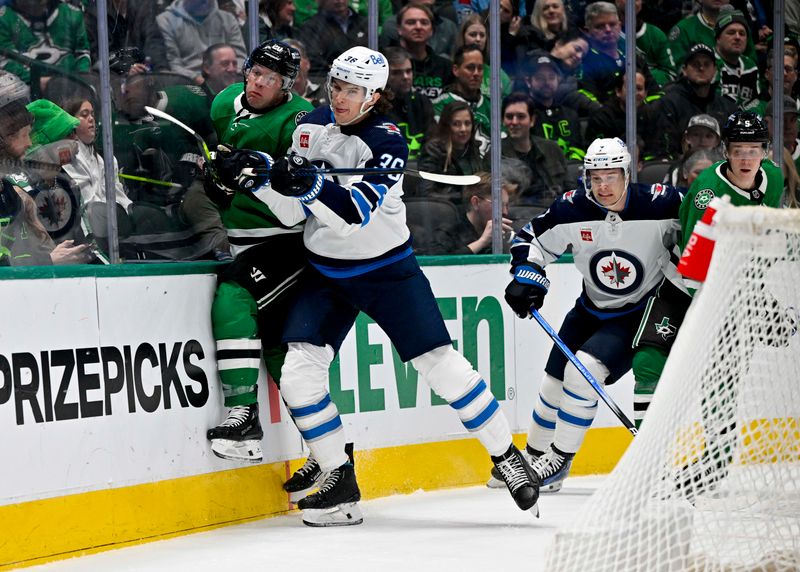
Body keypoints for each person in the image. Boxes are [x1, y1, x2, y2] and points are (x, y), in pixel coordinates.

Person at [214, 45, 541, 526]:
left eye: (353, 90)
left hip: (387, 271)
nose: (341, 98)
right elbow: (291, 213)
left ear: (374, 95)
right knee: (301, 376)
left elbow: (352, 216)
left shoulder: (386, 140)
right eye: (336, 87)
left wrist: (307, 184)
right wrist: (259, 177)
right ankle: (339, 479)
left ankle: (505, 456)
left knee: (441, 367)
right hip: (325, 274)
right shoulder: (309, 128)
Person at [487, 137, 685, 493]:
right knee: (553, 383)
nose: (603, 186)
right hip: (590, 308)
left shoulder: (662, 203)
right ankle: (533, 456)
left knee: (583, 373)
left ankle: (560, 460)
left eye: (611, 176)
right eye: (596, 178)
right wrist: (527, 276)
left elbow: (701, 226)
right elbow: (529, 239)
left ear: (627, 173)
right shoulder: (572, 210)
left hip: (638, 312)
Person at [632, 111, 784, 430]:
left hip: (731, 289)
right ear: (725, 151)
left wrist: (760, 297)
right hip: (682, 286)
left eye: (754, 149)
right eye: (738, 150)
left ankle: (716, 458)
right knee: (649, 362)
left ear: (765, 152)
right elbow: (691, 262)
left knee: (722, 374)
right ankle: (651, 455)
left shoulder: (773, 179)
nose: (746, 158)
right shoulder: (707, 191)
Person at [202, 40, 314, 463]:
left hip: (284, 243)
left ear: (287, 84)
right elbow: (215, 157)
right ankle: (325, 455)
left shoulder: (300, 123)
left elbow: (296, 209)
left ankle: (243, 415)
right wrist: (214, 177)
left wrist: (265, 176)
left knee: (232, 298)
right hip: (240, 241)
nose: (257, 83)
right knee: (277, 348)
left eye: (269, 78)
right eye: (253, 72)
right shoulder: (225, 103)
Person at [0, 76, 91, 266]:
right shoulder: (22, 193)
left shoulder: (15, 196)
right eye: (23, 135)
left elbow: (41, 250)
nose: (30, 143)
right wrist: (48, 261)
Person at [652, 43, 737, 159]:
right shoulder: (668, 104)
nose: (701, 68)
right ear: (684, 70)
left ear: (715, 71)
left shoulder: (728, 108)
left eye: (706, 64)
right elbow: (664, 150)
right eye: (695, 64)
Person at [156, 0, 247, 85]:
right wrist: (196, 78)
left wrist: (229, 75)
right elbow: (173, 65)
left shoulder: (228, 20)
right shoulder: (165, 21)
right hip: (187, 83)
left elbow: (240, 57)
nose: (206, 1)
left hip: (228, 80)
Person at [499, 92, 568, 203]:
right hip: (517, 215)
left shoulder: (552, 149)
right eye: (509, 117)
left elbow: (569, 188)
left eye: (521, 116)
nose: (514, 122)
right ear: (503, 120)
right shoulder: (495, 155)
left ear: (532, 120)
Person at [0, 0, 91, 83]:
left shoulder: (71, 14)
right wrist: (36, 82)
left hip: (70, 91)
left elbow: (81, 55)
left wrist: (82, 85)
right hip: (22, 93)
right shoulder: (4, 19)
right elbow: (5, 62)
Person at [417, 100, 485, 205]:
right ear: (447, 126)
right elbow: (426, 193)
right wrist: (463, 197)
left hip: (472, 208)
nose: (463, 129)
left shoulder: (474, 149)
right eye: (456, 124)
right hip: (445, 211)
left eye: (467, 123)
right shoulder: (433, 150)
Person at [432, 44, 490, 154]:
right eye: (470, 68)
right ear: (456, 70)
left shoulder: (493, 106)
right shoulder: (440, 106)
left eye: (480, 68)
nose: (476, 73)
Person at [296, 0, 368, 84]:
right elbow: (315, 64)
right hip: (330, 83)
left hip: (364, 80)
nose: (339, 1)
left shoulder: (365, 23)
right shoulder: (312, 27)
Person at [384, 46, 435, 162]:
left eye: (408, 71)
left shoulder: (422, 102)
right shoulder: (378, 107)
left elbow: (433, 140)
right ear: (385, 75)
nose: (406, 77)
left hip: (421, 170)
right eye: (397, 73)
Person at [454, 14, 512, 98]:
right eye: (473, 34)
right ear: (463, 37)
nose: (478, 39)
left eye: (482, 35)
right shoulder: (449, 70)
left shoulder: (499, 75)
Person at [713, 9, 759, 107]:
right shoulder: (709, 63)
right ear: (718, 38)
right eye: (731, 32)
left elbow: (758, 103)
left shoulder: (750, 66)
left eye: (742, 34)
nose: (737, 37)